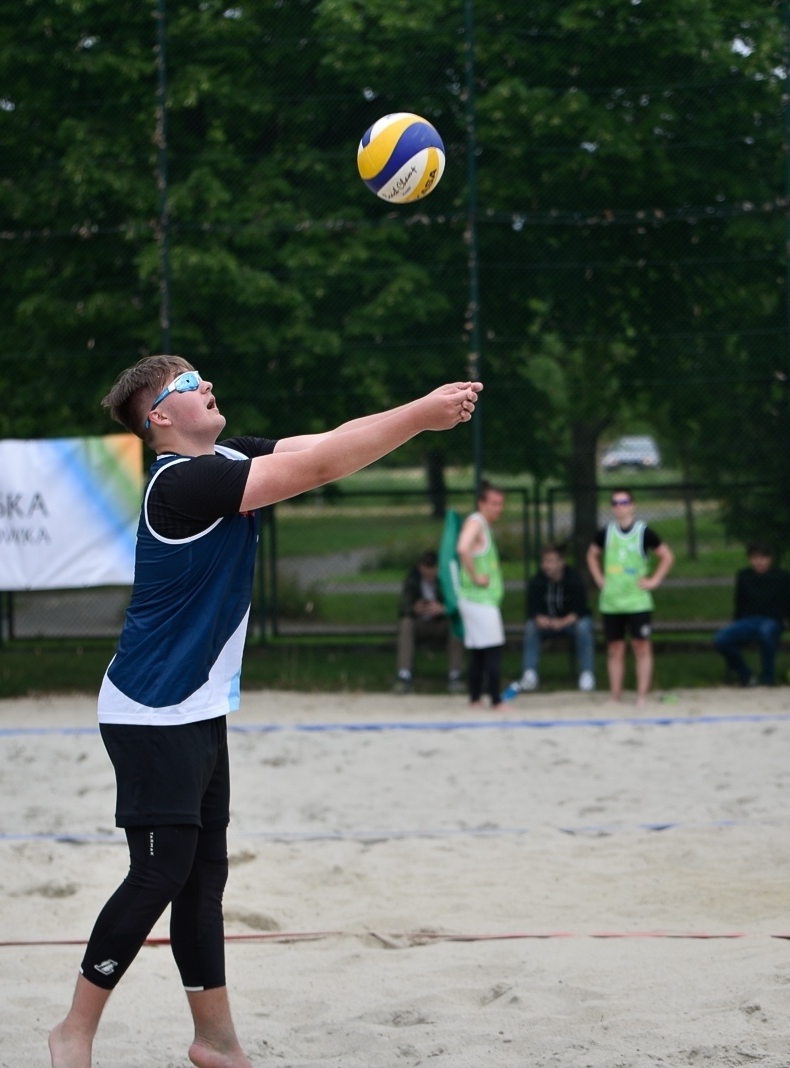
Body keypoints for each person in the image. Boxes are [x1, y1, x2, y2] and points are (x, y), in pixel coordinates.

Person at [48, 355, 479, 1068]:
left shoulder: (221, 456)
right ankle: (74, 1030)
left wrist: (418, 408)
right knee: (159, 873)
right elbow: (315, 473)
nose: (207, 384)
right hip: (152, 711)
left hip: (196, 705)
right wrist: (420, 416)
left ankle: (215, 1041)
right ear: (159, 417)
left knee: (201, 876)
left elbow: (328, 443)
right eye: (188, 385)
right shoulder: (184, 483)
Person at [586, 488, 674, 706]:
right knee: (615, 649)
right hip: (612, 602)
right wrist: (598, 577)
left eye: (624, 502)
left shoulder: (644, 532)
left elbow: (667, 556)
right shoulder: (606, 533)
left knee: (641, 646)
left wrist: (654, 580)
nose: (620, 507)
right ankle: (615, 696)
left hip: (637, 602)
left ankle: (641, 696)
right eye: (615, 503)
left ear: (633, 505)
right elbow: (591, 554)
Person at [713, 542, 790, 687]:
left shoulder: (782, 577)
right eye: (755, 558)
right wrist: (737, 625)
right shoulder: (743, 576)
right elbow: (739, 603)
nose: (759, 561)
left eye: (763, 557)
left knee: (765, 632)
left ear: (770, 559)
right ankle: (745, 675)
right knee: (721, 638)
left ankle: (768, 677)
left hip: (772, 621)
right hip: (748, 622)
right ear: (750, 559)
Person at [455, 482, 507, 709]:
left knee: (477, 651)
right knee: (492, 650)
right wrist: (476, 576)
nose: (499, 508)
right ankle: (496, 701)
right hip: (480, 599)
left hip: (475, 599)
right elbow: (463, 547)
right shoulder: (476, 522)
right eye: (494, 503)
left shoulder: (481, 524)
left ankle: (475, 699)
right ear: (481, 503)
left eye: (501, 504)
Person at [520, 543, 595, 693]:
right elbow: (532, 610)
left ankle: (587, 674)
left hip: (569, 623)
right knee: (530, 627)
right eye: (544, 561)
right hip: (547, 624)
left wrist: (562, 622)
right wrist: (540, 619)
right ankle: (530, 674)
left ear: (562, 562)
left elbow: (579, 610)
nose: (546, 565)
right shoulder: (537, 581)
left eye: (551, 561)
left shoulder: (574, 579)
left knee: (584, 626)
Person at [395, 549, 462, 693]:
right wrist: (414, 609)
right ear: (421, 568)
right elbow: (403, 607)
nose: (431, 573)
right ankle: (404, 674)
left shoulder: (445, 580)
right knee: (406, 624)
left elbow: (456, 605)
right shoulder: (413, 580)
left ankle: (455, 674)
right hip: (420, 623)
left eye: (433, 569)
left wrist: (442, 609)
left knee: (455, 626)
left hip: (440, 623)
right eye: (427, 569)